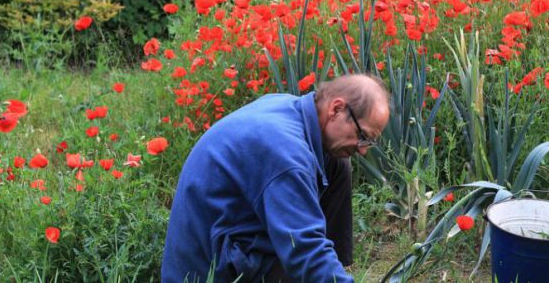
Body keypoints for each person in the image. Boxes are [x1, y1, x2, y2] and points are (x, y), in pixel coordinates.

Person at [162, 74, 390, 282]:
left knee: (339, 162)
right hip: (207, 268)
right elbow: (303, 248)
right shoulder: (287, 154)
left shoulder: (293, 111)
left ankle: (333, 271)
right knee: (302, 259)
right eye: (363, 136)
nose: (363, 150)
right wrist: (312, 261)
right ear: (336, 109)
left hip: (235, 235)